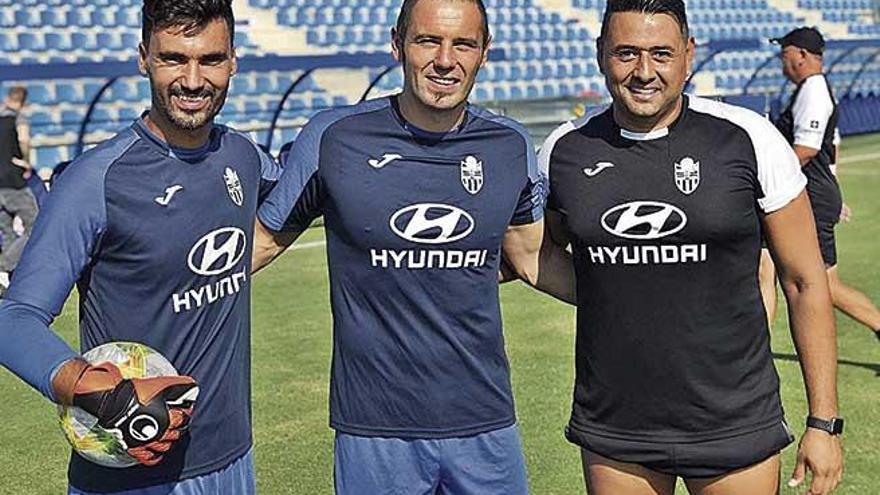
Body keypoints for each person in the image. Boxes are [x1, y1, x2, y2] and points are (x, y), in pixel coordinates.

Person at [252, 0, 565, 493]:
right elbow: (259, 245)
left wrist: (641, 292)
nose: (445, 60)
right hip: (374, 431)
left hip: (484, 423)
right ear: (397, 45)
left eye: (463, 43)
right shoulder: (334, 138)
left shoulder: (509, 145)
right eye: (427, 41)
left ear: (484, 52)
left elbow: (531, 257)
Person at [533, 1, 843, 494]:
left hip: (735, 420)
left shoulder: (749, 138)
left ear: (688, 55)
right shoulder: (564, 150)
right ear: (599, 55)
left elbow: (805, 282)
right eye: (626, 53)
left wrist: (823, 423)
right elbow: (536, 253)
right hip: (618, 426)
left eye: (661, 53)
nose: (644, 71)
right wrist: (612, 287)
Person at [0, 0, 279, 493]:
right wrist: (97, 392)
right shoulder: (95, 180)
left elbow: (310, 193)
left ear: (234, 60)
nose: (193, 80)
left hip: (234, 459)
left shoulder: (244, 155)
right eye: (173, 58)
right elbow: (14, 317)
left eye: (210, 59)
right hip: (130, 468)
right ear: (143, 57)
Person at [772, 26, 880, 343]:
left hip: (810, 198)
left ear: (802, 55)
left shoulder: (814, 92)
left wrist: (767, 177)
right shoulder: (810, 90)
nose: (781, 60)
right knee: (789, 273)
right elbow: (833, 146)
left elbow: (806, 150)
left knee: (821, 283)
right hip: (814, 196)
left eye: (785, 53)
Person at [0, 86, 38, 294]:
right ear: (22, 101)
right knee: (36, 225)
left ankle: (8, 281)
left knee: (6, 230)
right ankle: (4, 266)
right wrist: (26, 162)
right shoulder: (17, 118)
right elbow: (24, 140)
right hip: (13, 180)